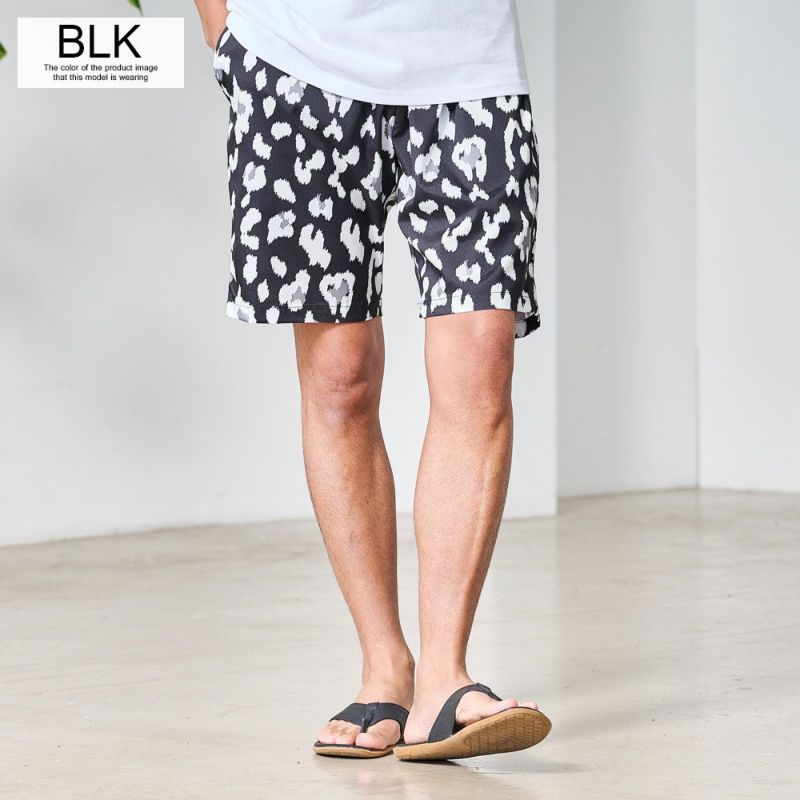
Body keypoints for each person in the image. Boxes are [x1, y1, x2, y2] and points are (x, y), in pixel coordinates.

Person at [193, 0, 550, 761]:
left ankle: (444, 680)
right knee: (340, 376)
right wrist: (225, 34)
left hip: (471, 67)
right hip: (296, 64)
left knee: (483, 356)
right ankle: (385, 665)